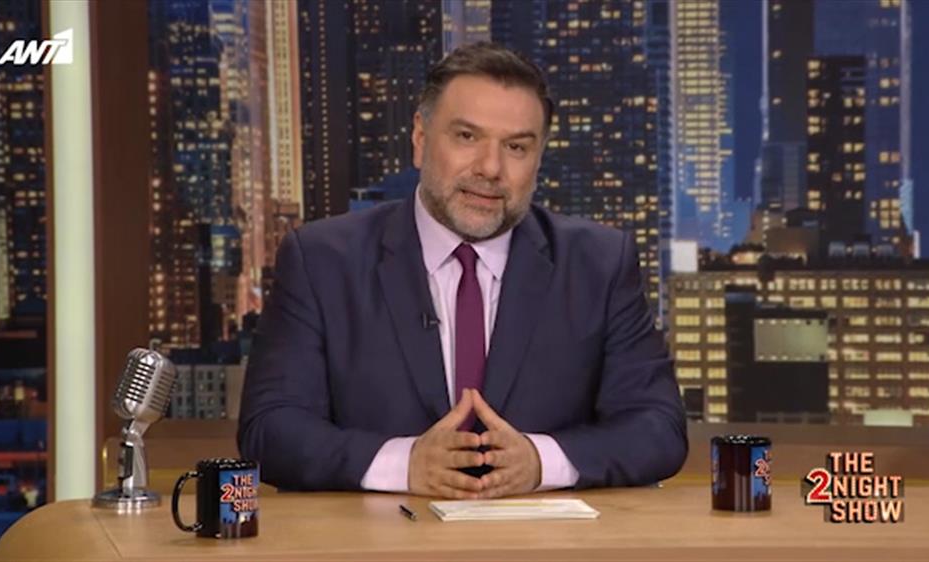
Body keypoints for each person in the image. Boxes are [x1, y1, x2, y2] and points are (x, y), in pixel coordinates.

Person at [238, 42, 687, 499]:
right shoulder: (322, 261)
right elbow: (270, 429)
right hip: (379, 534)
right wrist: (404, 464)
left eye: (516, 147)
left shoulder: (599, 264)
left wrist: (540, 461)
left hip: (542, 535)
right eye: (467, 137)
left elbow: (658, 427)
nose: (490, 168)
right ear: (420, 139)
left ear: (538, 159)